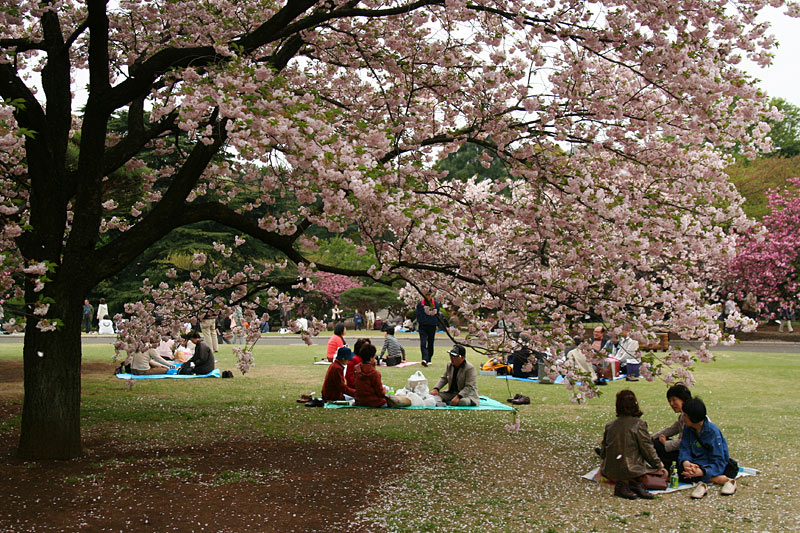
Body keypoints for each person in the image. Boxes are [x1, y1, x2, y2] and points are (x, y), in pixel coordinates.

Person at [599, 389, 666, 500]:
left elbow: (603, 453)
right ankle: (632, 483)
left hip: (610, 470)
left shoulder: (609, 425)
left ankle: (629, 484)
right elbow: (647, 449)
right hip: (634, 471)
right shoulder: (639, 424)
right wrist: (658, 464)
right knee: (663, 471)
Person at [679, 397, 738, 498]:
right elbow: (685, 448)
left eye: (685, 416)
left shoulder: (713, 432)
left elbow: (719, 460)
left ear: (693, 418)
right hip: (696, 463)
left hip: (711, 465)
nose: (683, 418)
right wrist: (686, 463)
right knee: (678, 470)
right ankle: (715, 479)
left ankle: (705, 477)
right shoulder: (688, 428)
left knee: (727, 469)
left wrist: (702, 471)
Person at [650, 384, 692, 473]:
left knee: (656, 446)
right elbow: (672, 429)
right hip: (684, 450)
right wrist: (654, 436)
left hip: (690, 454)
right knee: (655, 442)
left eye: (674, 400)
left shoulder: (690, 416)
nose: (671, 404)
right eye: (670, 401)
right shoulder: (683, 415)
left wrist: (666, 443)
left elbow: (686, 442)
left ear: (683, 399)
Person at [416, 290, 441, 366]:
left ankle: (429, 358)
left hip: (432, 326)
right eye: (426, 295)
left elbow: (438, 315)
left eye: (429, 295)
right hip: (423, 326)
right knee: (423, 342)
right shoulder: (420, 304)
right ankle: (424, 358)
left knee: (430, 342)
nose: (427, 296)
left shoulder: (435, 304)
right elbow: (418, 315)